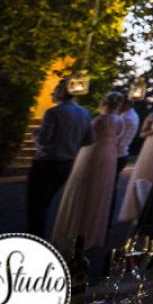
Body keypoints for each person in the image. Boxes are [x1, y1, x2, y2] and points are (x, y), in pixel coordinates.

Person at [52, 94, 121, 250]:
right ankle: (92, 233)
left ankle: (74, 229)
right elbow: (118, 138)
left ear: (103, 104)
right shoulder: (120, 121)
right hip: (110, 155)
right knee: (99, 191)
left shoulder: (100, 120)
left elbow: (89, 138)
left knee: (83, 188)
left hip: (92, 153)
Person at [26, 80, 95, 236]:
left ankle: (35, 237)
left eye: (55, 90)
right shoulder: (84, 113)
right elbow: (90, 139)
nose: (52, 94)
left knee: (35, 205)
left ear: (60, 92)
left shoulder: (53, 112)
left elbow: (43, 140)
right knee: (46, 202)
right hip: (67, 164)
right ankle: (39, 236)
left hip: (45, 163)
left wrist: (35, 134)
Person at [111, 94, 141, 225]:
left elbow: (119, 140)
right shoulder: (130, 115)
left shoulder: (126, 118)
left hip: (117, 154)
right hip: (121, 153)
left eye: (120, 104)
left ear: (126, 104)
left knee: (110, 188)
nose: (118, 107)